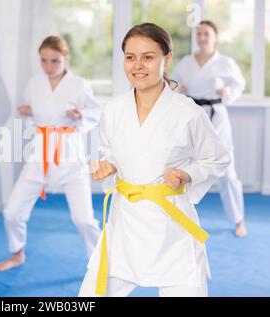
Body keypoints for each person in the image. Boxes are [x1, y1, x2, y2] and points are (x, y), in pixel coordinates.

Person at [79, 23, 230, 297]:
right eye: (130, 57)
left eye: (148, 57)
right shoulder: (112, 110)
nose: (138, 65)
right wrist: (107, 166)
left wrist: (188, 174)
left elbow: (218, 158)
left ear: (167, 58)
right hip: (124, 225)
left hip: (172, 230)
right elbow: (112, 152)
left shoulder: (187, 112)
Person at [0, 36, 101, 272]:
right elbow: (42, 109)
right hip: (39, 155)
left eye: (55, 61)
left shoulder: (79, 84)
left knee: (84, 220)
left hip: (70, 155)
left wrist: (80, 114)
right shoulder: (34, 83)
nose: (49, 67)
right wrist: (28, 110)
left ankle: (99, 263)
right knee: (12, 211)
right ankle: (17, 253)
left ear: (66, 58)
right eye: (44, 61)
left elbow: (96, 111)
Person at [173, 20, 247, 237]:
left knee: (227, 169)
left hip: (217, 115)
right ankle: (179, 217)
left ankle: (239, 219)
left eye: (207, 34)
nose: (202, 38)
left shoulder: (225, 62)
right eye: (199, 34)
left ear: (215, 38)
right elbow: (172, 84)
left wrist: (226, 92)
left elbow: (239, 85)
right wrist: (180, 90)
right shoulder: (186, 62)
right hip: (193, 114)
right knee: (184, 164)